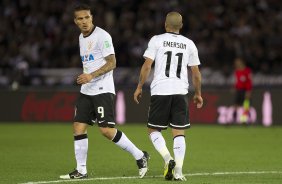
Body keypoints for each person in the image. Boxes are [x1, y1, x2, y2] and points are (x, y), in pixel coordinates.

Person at [60, 4, 149, 179]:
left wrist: (90, 76)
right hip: (87, 90)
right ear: (75, 21)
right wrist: (87, 78)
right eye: (80, 18)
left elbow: (112, 63)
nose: (84, 21)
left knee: (106, 130)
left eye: (87, 17)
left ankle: (140, 156)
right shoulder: (81, 37)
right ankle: (81, 170)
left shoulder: (102, 36)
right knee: (78, 127)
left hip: (102, 89)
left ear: (92, 17)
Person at [134, 12, 203, 181]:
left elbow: (147, 66)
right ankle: (178, 170)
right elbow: (196, 74)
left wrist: (139, 86)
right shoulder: (189, 44)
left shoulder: (156, 40)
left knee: (153, 130)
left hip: (161, 90)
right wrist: (198, 94)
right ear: (181, 25)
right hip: (180, 91)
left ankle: (167, 158)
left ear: (165, 24)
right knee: (179, 132)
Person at [233, 58, 252, 123]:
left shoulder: (247, 71)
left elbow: (249, 81)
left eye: (237, 62)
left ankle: (244, 119)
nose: (236, 64)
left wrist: (248, 91)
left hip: (245, 91)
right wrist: (235, 88)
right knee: (236, 105)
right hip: (238, 90)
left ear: (241, 62)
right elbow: (237, 81)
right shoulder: (236, 71)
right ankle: (234, 119)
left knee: (246, 105)